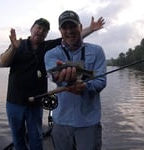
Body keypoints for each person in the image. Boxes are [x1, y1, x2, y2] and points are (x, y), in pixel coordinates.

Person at [0, 16, 105, 150]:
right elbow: (3, 62)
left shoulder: (48, 47)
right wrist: (13, 48)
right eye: (38, 27)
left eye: (44, 30)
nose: (40, 31)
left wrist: (90, 29)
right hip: (14, 101)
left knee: (36, 135)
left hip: (36, 102)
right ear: (32, 29)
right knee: (17, 136)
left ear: (46, 34)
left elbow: (71, 36)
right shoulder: (18, 44)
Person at [44, 10, 107, 150]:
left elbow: (101, 82)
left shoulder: (97, 51)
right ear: (60, 30)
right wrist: (60, 76)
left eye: (72, 26)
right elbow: (54, 75)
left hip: (89, 122)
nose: (69, 31)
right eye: (65, 28)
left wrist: (85, 86)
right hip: (61, 121)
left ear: (80, 27)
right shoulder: (51, 54)